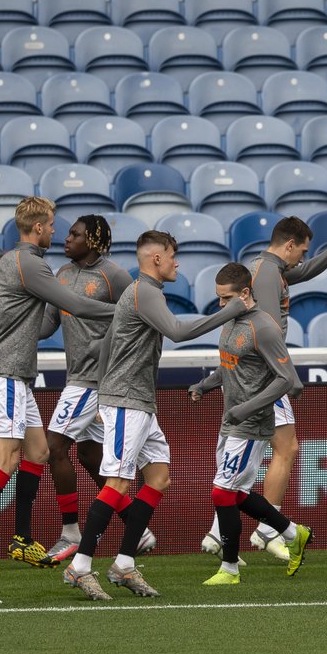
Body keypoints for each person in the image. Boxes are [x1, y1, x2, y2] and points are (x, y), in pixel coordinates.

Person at [63, 231, 246, 600]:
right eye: (173, 255)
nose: (177, 262)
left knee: (159, 478)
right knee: (117, 483)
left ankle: (124, 564)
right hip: (127, 402)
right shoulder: (144, 291)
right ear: (156, 258)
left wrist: (101, 393)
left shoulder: (140, 292)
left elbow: (105, 345)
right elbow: (177, 331)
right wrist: (231, 310)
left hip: (138, 401)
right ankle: (79, 567)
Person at [0, 197, 118, 573]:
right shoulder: (31, 264)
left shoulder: (10, 260)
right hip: (5, 371)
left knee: (39, 452)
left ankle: (22, 539)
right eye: (53, 225)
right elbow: (77, 305)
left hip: (12, 372)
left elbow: (37, 323)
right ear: (39, 227)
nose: (56, 232)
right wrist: (127, 310)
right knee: (7, 457)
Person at [202, 216, 327, 562]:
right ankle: (267, 530)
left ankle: (221, 534)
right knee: (284, 449)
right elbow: (264, 331)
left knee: (249, 459)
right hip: (263, 376)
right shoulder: (265, 274)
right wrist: (286, 375)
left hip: (253, 375)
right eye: (302, 250)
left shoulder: (270, 269)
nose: (302, 259)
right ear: (289, 245)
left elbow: (308, 271)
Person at [36, 216, 157, 563]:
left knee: (54, 446)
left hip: (93, 379)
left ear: (93, 240)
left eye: (74, 234)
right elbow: (48, 323)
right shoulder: (61, 275)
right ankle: (138, 528)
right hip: (77, 375)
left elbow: (135, 316)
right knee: (90, 456)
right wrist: (18, 325)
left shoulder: (114, 276)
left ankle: (70, 532)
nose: (66, 239)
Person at [189, 263, 314, 586]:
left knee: (222, 492)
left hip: (251, 423)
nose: (221, 304)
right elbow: (231, 365)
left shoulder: (264, 327)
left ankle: (229, 569)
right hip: (233, 418)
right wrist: (205, 385)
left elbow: (287, 380)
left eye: (226, 298)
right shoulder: (231, 321)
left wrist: (246, 408)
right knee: (238, 493)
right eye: (218, 298)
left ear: (245, 293)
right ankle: (292, 532)